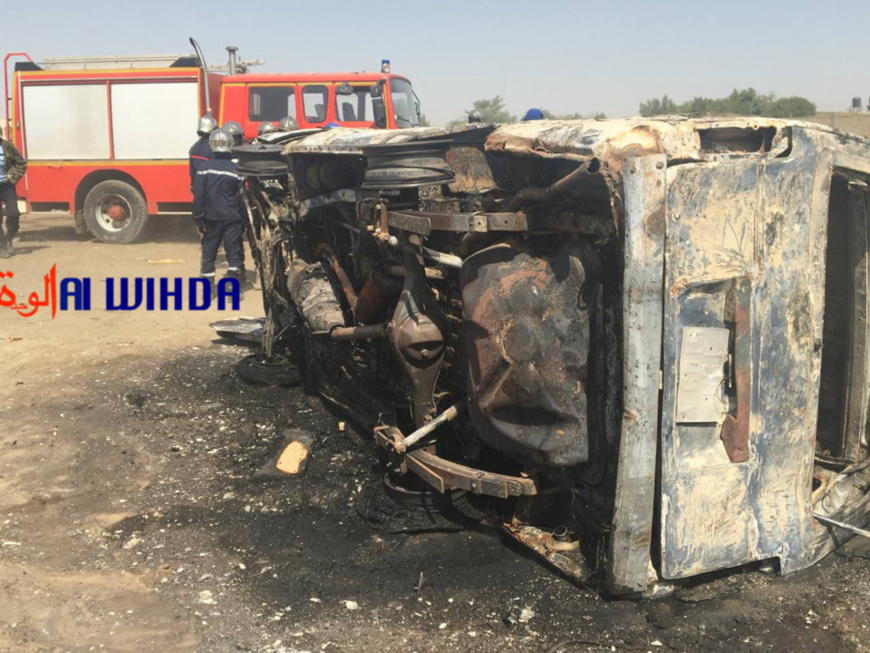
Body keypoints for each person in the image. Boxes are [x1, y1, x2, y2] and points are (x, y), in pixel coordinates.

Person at [192, 128, 246, 295]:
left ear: (211, 146)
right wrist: (243, 220)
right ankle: (231, 288)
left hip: (210, 218)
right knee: (233, 253)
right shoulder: (237, 169)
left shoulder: (203, 168)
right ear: (230, 145)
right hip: (232, 218)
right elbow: (243, 198)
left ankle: (208, 288)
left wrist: (198, 219)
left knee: (209, 253)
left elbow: (198, 196)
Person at [0, 128, 27, 258]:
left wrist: (11, 177)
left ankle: (8, 238)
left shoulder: (7, 147)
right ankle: (2, 247)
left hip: (7, 186)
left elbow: (21, 163)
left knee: (14, 213)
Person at [189, 113, 217, 190]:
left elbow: (192, 173)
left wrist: (193, 185)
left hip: (198, 187)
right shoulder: (213, 149)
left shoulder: (193, 148)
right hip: (210, 188)